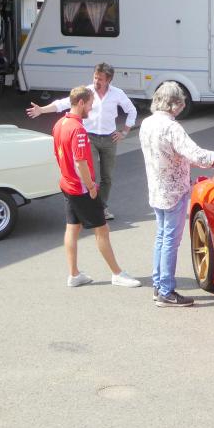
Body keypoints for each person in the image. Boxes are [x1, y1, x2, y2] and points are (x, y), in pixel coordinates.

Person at [139, 82, 214, 307]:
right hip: (174, 191)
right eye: (181, 103)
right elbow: (197, 155)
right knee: (170, 241)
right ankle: (166, 291)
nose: (182, 108)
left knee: (161, 238)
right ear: (174, 104)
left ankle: (158, 286)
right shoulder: (171, 127)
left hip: (156, 189)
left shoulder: (147, 123)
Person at [52, 85, 141, 289]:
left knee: (72, 228)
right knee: (102, 229)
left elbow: (58, 155)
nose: (92, 108)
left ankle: (74, 274)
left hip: (67, 184)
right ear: (81, 102)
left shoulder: (60, 124)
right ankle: (117, 273)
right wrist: (92, 186)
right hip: (81, 188)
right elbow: (80, 162)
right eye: (91, 104)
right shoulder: (79, 130)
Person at [27, 62, 136, 221]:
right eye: (95, 77)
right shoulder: (87, 91)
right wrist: (42, 110)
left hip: (109, 139)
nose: (96, 82)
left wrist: (124, 132)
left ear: (108, 80)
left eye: (100, 79)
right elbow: (63, 103)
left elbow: (132, 111)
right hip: (89, 137)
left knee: (107, 177)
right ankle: (91, 208)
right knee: (91, 175)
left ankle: (102, 207)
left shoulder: (117, 94)